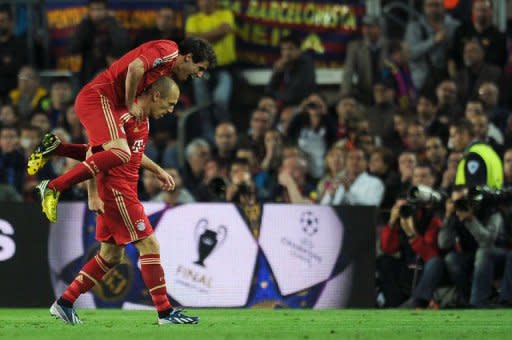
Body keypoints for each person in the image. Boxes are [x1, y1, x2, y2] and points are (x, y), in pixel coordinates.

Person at [32, 77, 199, 325]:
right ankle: (165, 313)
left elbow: (133, 154)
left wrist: (157, 170)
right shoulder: (121, 117)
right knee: (149, 245)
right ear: (155, 96)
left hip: (125, 188)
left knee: (110, 255)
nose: (171, 110)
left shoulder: (144, 120)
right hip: (116, 190)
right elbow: (93, 152)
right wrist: (92, 194)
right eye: (170, 103)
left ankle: (64, 303)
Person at [29, 37, 216, 223]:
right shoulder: (169, 51)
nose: (199, 75)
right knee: (120, 152)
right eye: (200, 69)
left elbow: (94, 153)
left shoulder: (165, 71)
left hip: (109, 103)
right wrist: (129, 102)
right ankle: (54, 187)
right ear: (189, 57)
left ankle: (56, 148)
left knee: (110, 153)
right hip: (99, 98)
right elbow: (135, 67)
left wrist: (158, 171)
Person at [70, 0, 130, 85]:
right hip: (89, 75)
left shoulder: (114, 26)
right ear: (89, 12)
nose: (96, 13)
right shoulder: (85, 27)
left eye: (99, 9)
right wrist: (83, 24)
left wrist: (113, 22)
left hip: (112, 74)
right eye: (93, 10)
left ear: (106, 11)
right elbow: (73, 49)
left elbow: (123, 46)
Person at [404, 0, 459, 91]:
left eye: (437, 5)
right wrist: (433, 41)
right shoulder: (414, 27)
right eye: (430, 5)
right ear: (424, 8)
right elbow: (411, 54)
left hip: (449, 81)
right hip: (422, 81)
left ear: (443, 6)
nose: (433, 9)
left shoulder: (455, 26)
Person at [341, 15, 388, 105]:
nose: (366, 31)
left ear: (380, 29)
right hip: (365, 94)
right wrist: (345, 95)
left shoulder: (389, 46)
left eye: (370, 27)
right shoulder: (355, 47)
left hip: (385, 94)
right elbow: (348, 71)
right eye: (365, 27)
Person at [266, 34, 316, 109]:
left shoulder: (306, 64)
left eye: (290, 49)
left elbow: (293, 95)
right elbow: (268, 91)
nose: (286, 53)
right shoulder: (284, 65)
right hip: (283, 105)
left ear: (299, 50)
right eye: (283, 49)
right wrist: (277, 72)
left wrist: (275, 95)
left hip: (301, 107)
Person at [0, 5, 27, 99]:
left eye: (3, 21)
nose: (0, 23)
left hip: (13, 93)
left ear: (11, 22)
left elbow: (18, 69)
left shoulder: (19, 44)